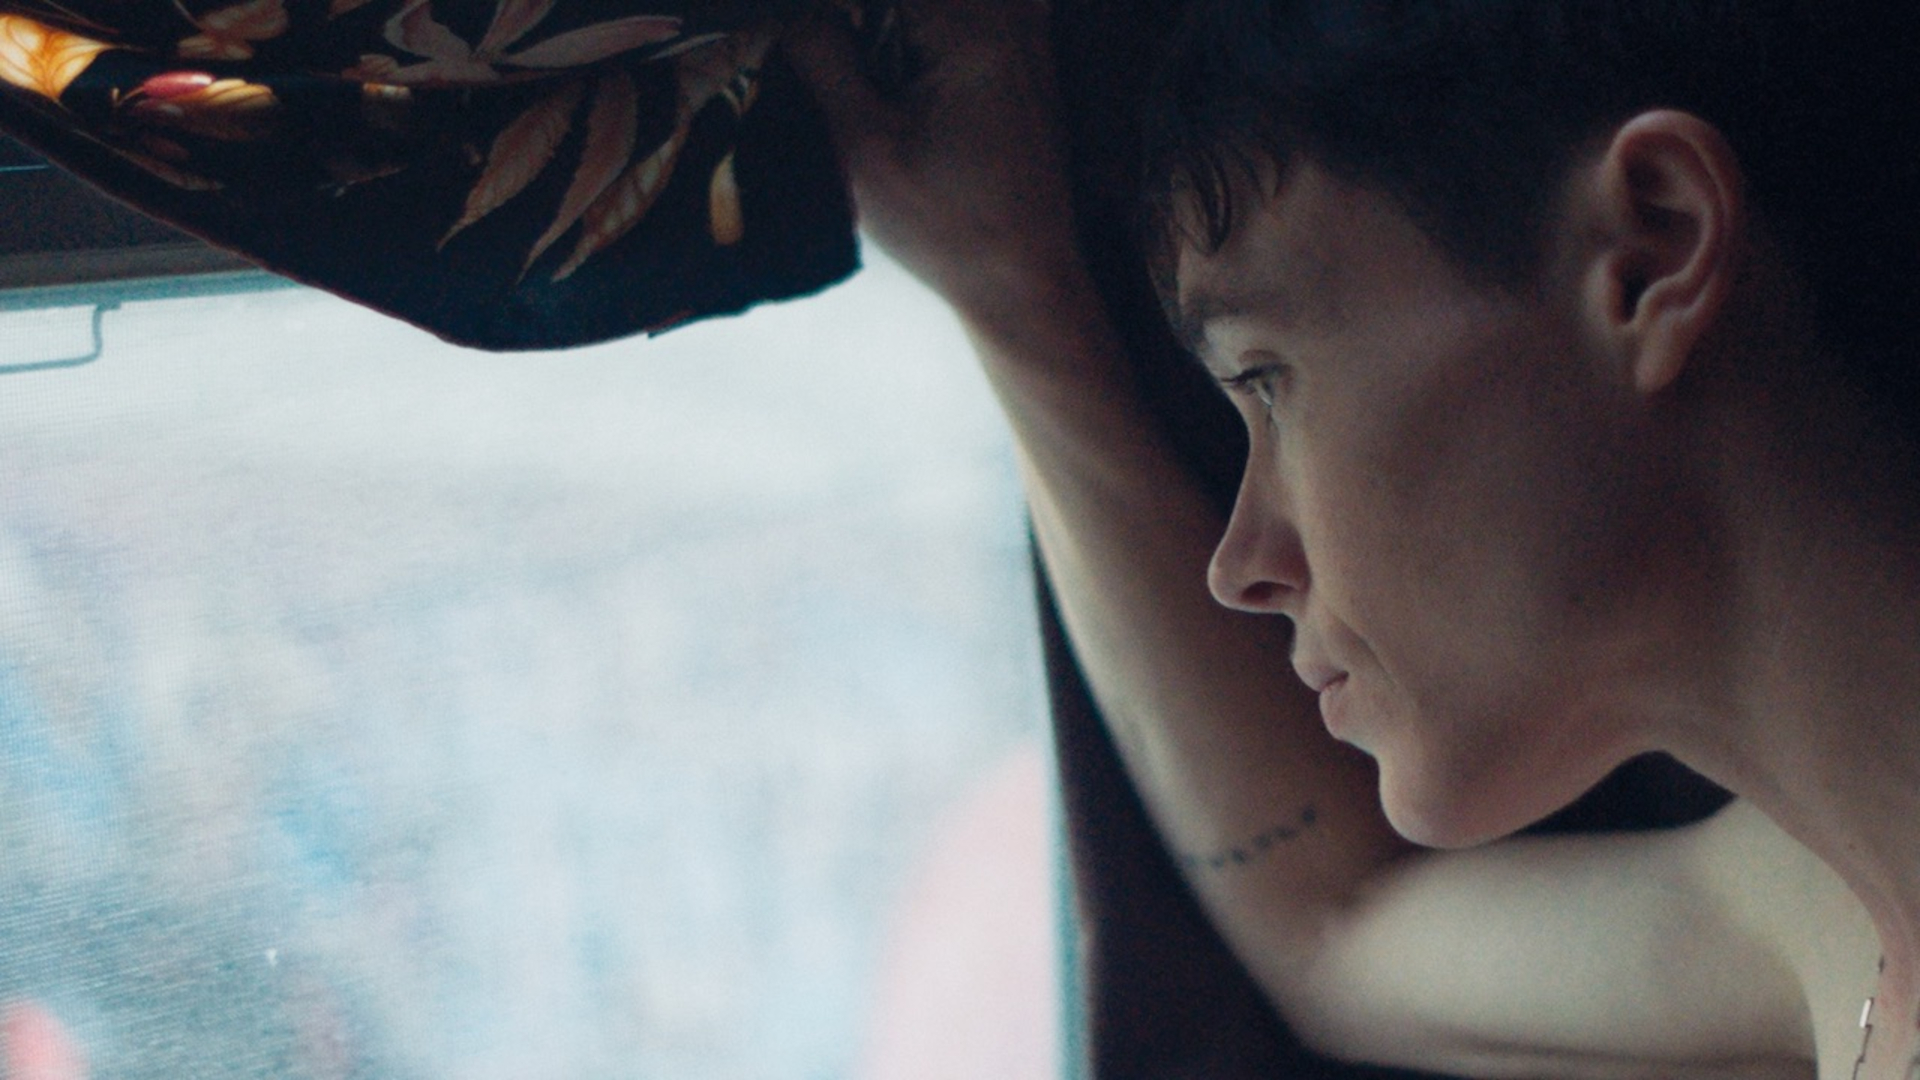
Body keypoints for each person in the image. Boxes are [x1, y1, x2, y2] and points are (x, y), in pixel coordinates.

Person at [792, 0, 1920, 1077]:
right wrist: (1006, 284)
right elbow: (1336, 930)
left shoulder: (1816, 920)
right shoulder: (1825, 917)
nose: (1241, 567)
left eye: (1267, 380)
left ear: (1650, 248)